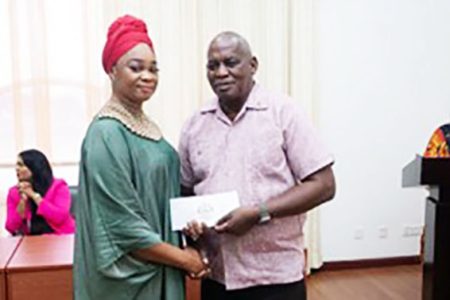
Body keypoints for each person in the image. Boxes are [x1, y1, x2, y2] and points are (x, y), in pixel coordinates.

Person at [179, 31, 336, 300]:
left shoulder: (283, 112)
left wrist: (259, 212)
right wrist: (194, 233)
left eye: (231, 62)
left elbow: (324, 185)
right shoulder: (195, 125)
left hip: (276, 279)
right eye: (212, 65)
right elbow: (185, 192)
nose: (221, 72)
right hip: (220, 279)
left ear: (253, 65)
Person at [73, 15, 208, 300]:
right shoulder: (106, 134)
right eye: (136, 68)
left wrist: (192, 223)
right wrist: (186, 259)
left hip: (162, 264)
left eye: (153, 69)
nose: (147, 76)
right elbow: (122, 228)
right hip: (129, 282)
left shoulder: (147, 127)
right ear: (112, 70)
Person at [5, 149, 75, 236]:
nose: (17, 168)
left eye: (21, 165)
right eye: (17, 165)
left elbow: (59, 217)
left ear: (34, 167)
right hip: (32, 242)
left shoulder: (59, 187)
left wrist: (35, 197)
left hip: (60, 237)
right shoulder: (14, 192)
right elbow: (10, 227)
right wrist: (22, 202)